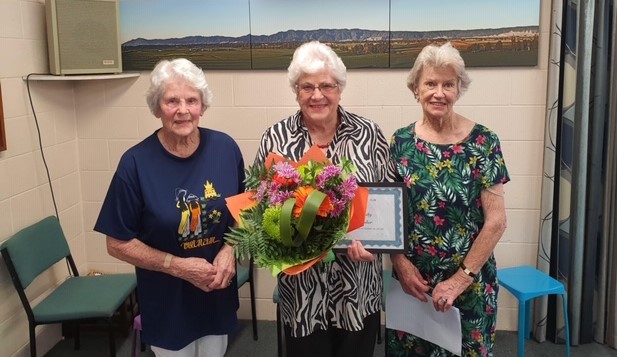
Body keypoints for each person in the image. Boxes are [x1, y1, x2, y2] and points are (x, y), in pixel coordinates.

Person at [254, 40, 397, 357]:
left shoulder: (369, 133)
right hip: (303, 292)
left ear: (340, 89)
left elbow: (388, 199)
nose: (317, 95)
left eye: (326, 86)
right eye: (307, 87)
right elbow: (259, 204)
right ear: (296, 91)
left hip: (358, 286)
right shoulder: (275, 138)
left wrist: (376, 245)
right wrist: (282, 239)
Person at [94, 58, 245, 357]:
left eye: (192, 100)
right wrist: (177, 266)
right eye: (172, 101)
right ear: (156, 107)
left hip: (216, 296)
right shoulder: (135, 164)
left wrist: (230, 251)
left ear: (203, 106)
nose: (183, 110)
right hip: (167, 303)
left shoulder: (225, 148)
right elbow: (116, 243)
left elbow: (246, 213)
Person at [387, 42, 509, 356]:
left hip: (468, 285)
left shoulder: (484, 141)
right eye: (430, 83)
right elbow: (389, 214)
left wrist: (459, 280)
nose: (438, 92)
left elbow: (496, 222)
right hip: (412, 285)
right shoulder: (400, 142)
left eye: (448, 84)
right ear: (416, 88)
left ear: (458, 89)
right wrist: (399, 263)